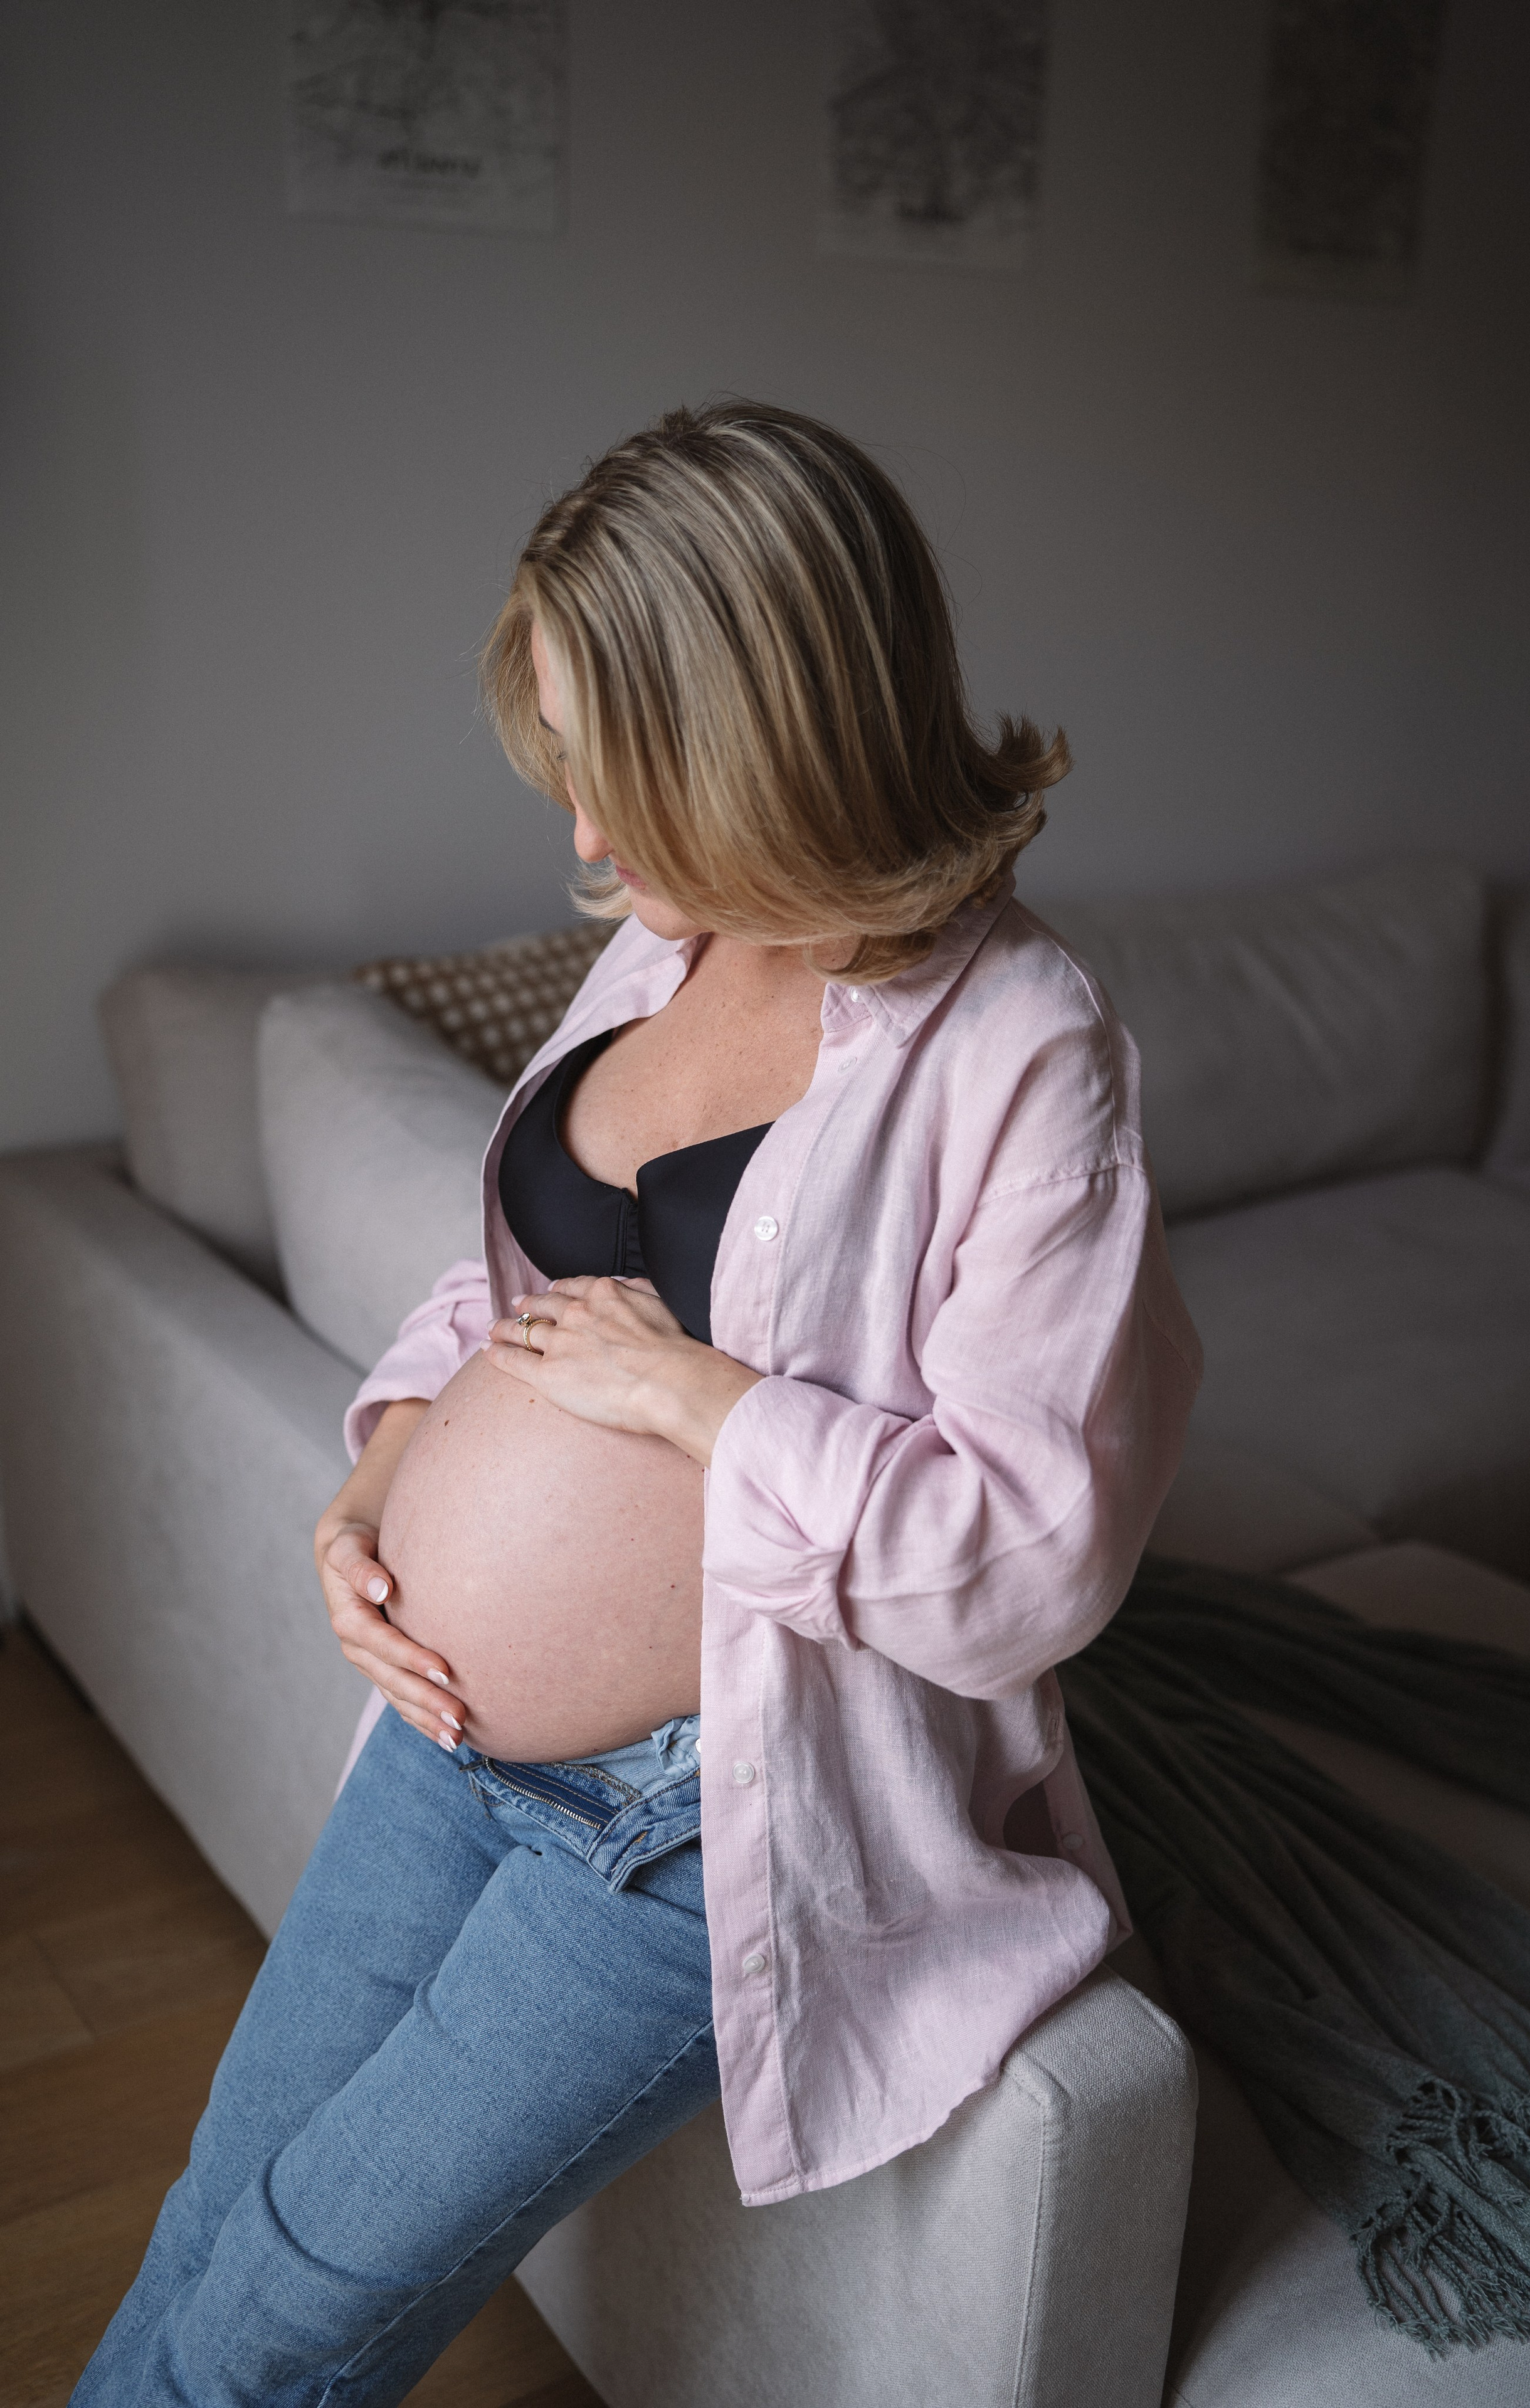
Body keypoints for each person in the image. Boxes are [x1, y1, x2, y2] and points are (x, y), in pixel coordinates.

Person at [75, 400, 1201, 2406]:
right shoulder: (659, 948)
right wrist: (385, 1489)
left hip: (692, 1829)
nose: (586, 843)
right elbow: (500, 1293)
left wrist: (709, 1405)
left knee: (295, 2307)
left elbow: (1034, 1556)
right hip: (436, 1745)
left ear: (774, 732)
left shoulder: (1024, 1047)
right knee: (220, 2209)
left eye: (626, 773)